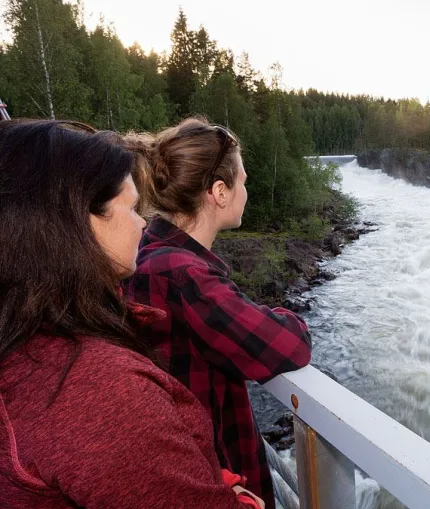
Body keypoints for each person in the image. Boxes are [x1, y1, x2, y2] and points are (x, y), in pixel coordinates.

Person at [0, 119, 264, 509]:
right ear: (80, 225)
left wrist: (187, 476)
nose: (143, 222)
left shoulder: (26, 348)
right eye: (130, 207)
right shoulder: (99, 392)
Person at [125, 117, 312, 509]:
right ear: (220, 192)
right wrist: (279, 314)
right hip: (216, 479)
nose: (247, 189)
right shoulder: (185, 276)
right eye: (242, 181)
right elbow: (290, 344)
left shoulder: (145, 250)